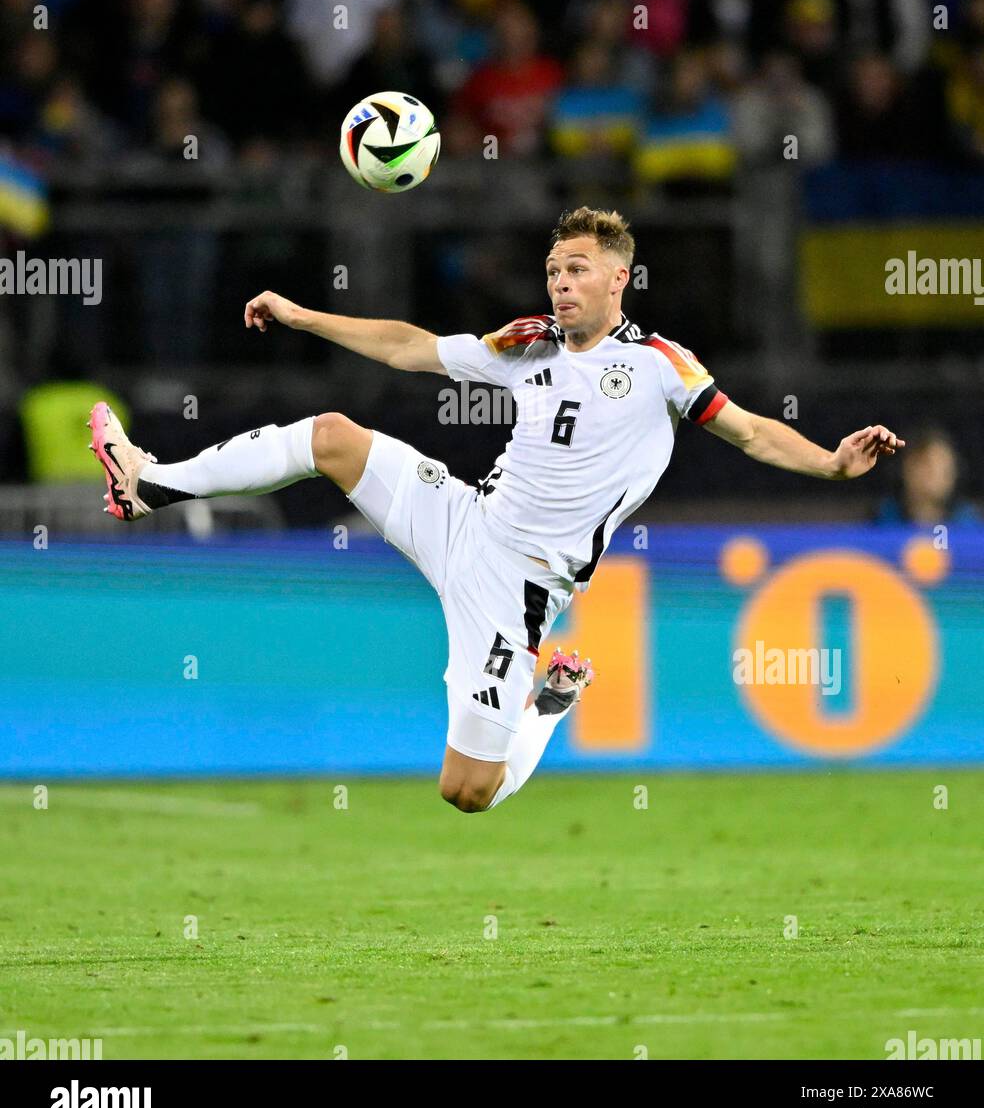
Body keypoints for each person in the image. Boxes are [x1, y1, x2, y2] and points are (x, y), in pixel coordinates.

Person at [87, 208, 904, 812]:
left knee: (467, 790)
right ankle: (150, 482)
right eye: (554, 270)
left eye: (579, 269)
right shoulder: (528, 344)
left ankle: (547, 705)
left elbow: (754, 432)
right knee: (334, 436)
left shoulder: (660, 366)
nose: (562, 282)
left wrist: (833, 462)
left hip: (520, 591)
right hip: (465, 520)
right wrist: (303, 314)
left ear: (619, 278)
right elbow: (411, 347)